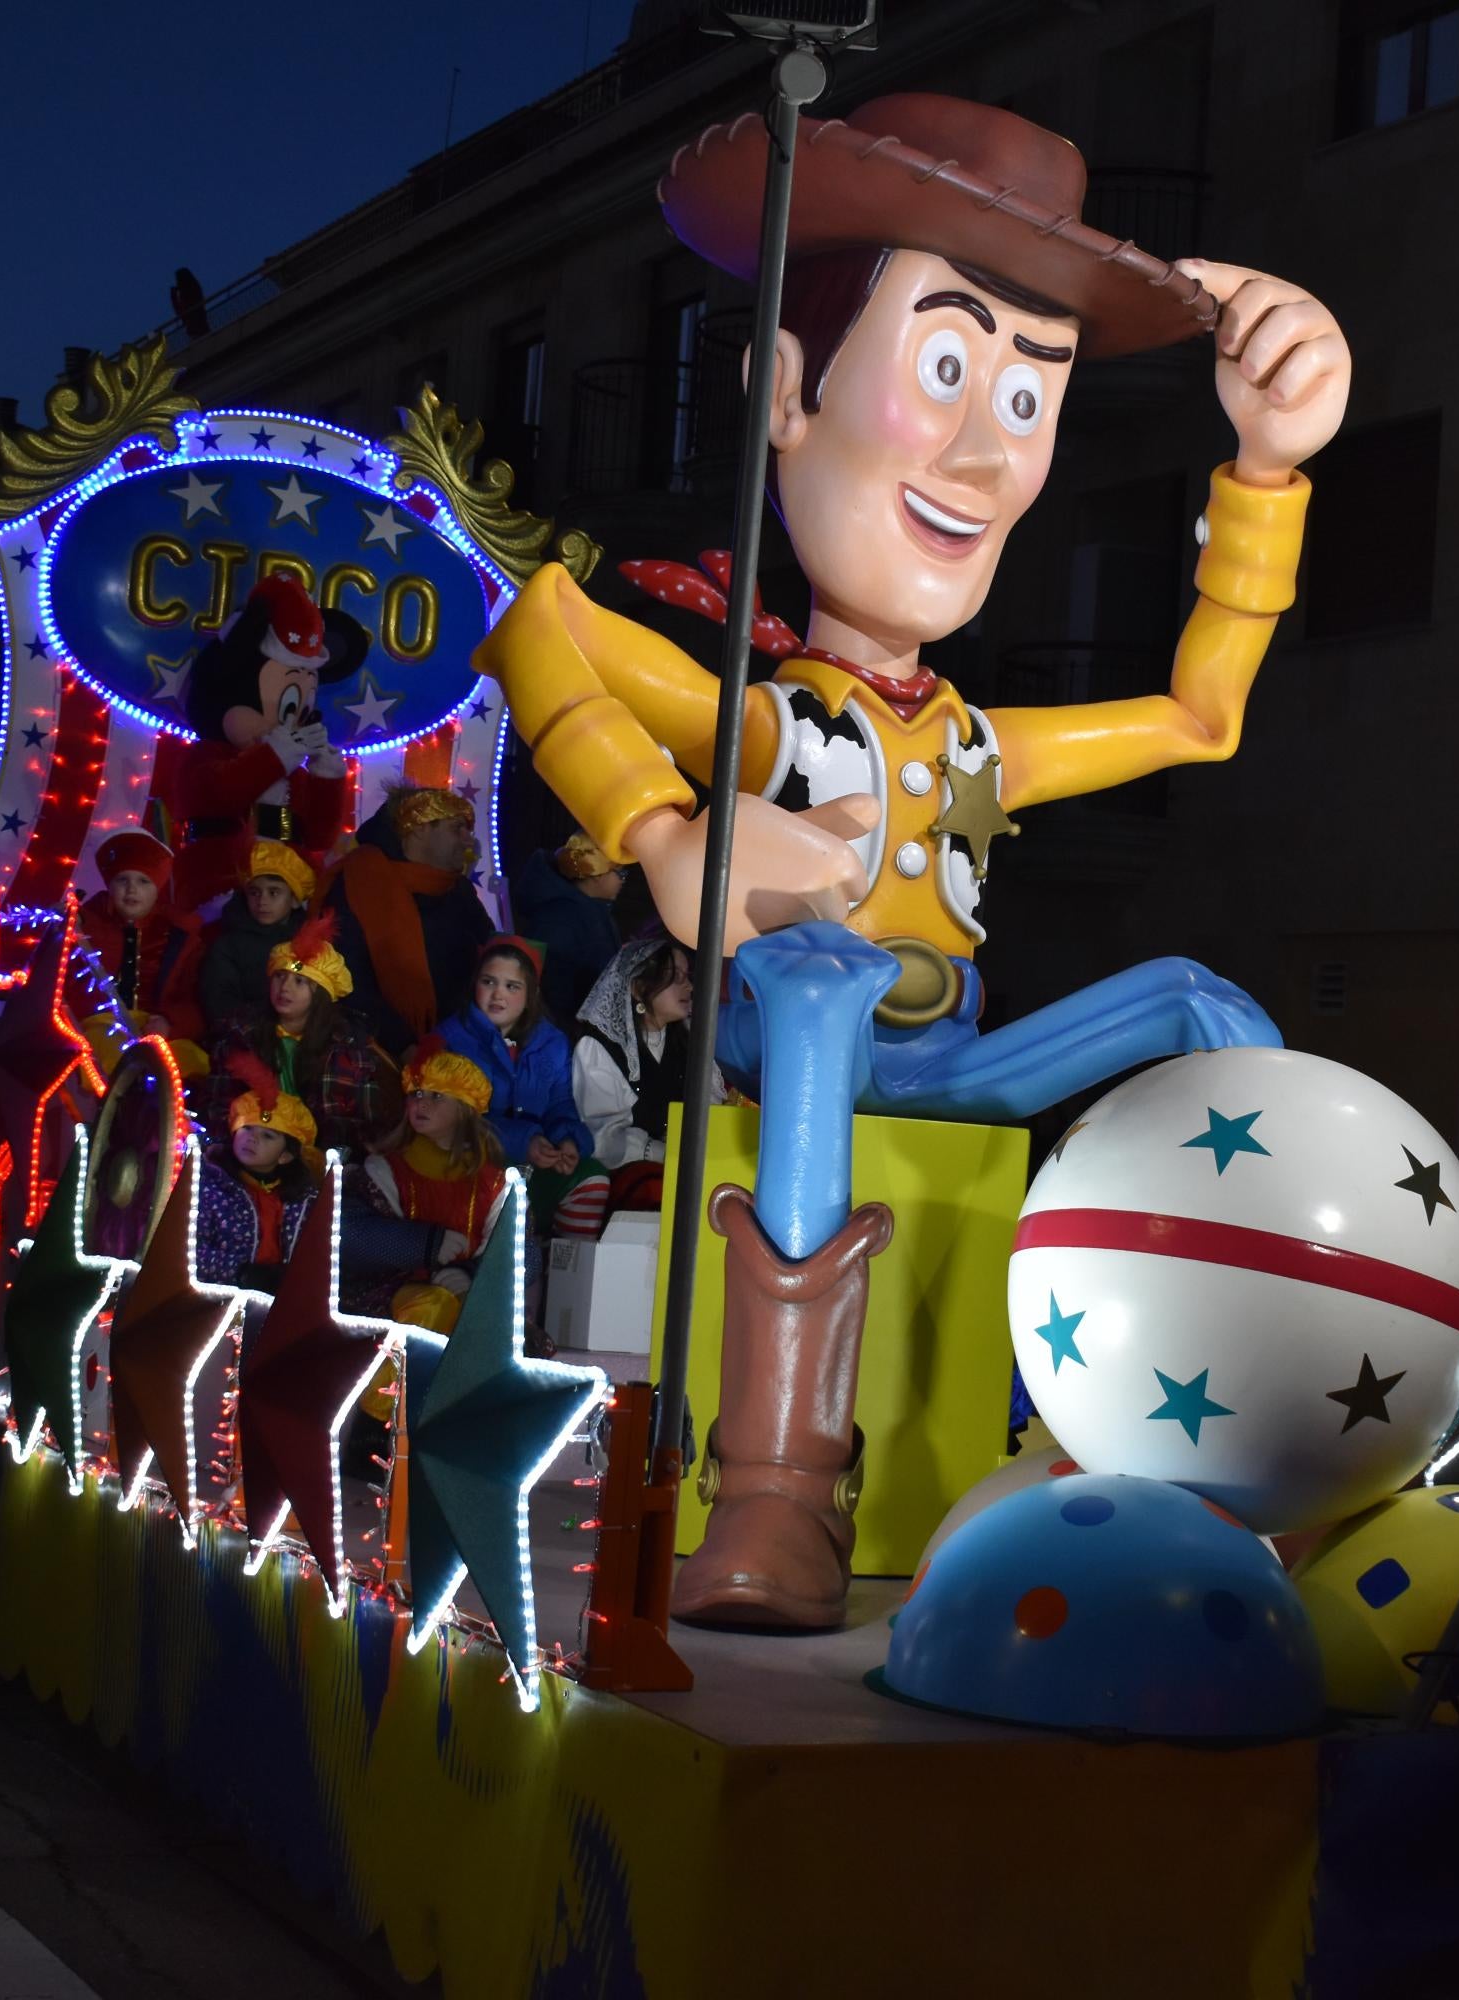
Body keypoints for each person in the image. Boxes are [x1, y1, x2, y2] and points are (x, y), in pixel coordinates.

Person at [471, 93, 1343, 1630]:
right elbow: (539, 623)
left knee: (1204, 1007)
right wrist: (669, 831)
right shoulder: (767, 710)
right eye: (947, 368)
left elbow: (1201, 720)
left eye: (1027, 401)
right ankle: (781, 1490)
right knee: (812, 985)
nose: (978, 452)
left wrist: (1266, 469)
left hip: (946, 1056)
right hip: (783, 1034)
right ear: (786, 391)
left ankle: (1240, 1452)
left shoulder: (981, 744)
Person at [147, 574, 362, 914]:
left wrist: (326, 774)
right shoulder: (204, 758)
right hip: (219, 890)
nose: (281, 724)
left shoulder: (293, 775)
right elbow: (220, 792)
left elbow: (318, 836)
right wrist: (276, 754)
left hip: (284, 901)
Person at [349, 1049, 511, 1336]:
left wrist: (472, 1274)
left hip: (469, 1292)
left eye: (436, 1096)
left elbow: (521, 1251)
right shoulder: (382, 1172)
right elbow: (352, 1236)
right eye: (416, 1094)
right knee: (432, 1306)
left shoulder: (497, 1184)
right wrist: (425, 1244)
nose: (420, 1103)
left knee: (489, 1323)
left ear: (465, 1107)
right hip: (394, 1296)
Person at [202, 913, 389, 1157]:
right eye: (280, 976)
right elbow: (218, 1104)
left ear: (320, 994)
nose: (285, 988)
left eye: (300, 981)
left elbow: (362, 1123)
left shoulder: (347, 1046)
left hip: (321, 1159)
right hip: (249, 1154)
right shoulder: (241, 1034)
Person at [567, 935, 721, 1229]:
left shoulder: (690, 1044)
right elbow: (605, 1136)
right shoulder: (600, 1047)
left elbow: (710, 1107)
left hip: (686, 1169)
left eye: (687, 977)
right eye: (675, 978)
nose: (689, 987)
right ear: (638, 988)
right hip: (629, 1177)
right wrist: (666, 1154)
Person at [323, 787, 493, 1046]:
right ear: (419, 828)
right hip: (377, 1054)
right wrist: (402, 1045)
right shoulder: (359, 883)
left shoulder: (458, 890)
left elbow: (491, 949)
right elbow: (345, 977)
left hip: (460, 1046)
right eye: (457, 829)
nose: (468, 840)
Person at [435, 936, 597, 1190]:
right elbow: (458, 1120)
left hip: (537, 1159)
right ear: (474, 984)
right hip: (475, 1162)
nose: (498, 993)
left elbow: (560, 1102)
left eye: (512, 986)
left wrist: (567, 1139)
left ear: (532, 992)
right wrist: (525, 1142)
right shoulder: (451, 1040)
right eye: (489, 982)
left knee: (592, 1176)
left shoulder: (552, 1043)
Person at [71, 829, 205, 1059]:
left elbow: (193, 1000)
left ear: (157, 890)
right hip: (95, 1029)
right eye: (123, 880)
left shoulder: (180, 935)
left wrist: (169, 1022)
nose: (132, 889)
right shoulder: (85, 924)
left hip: (156, 1032)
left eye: (143, 881)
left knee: (192, 1062)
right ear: (110, 886)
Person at [197, 1053, 319, 1292]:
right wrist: (242, 1273)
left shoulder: (303, 1198)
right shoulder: (209, 1184)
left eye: (268, 1136)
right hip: (222, 1296)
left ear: (285, 1155)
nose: (252, 1139)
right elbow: (189, 1250)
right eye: (247, 1128)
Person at [196, 838, 312, 1033]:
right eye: (254, 892)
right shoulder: (228, 946)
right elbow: (220, 1002)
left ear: (294, 899)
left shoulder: (309, 942)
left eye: (273, 893)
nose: (262, 901)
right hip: (246, 1039)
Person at [515, 832, 625, 1030]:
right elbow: (553, 990)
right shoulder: (559, 919)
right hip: (564, 1032)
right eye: (619, 873)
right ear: (597, 874)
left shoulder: (594, 912)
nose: (623, 880)